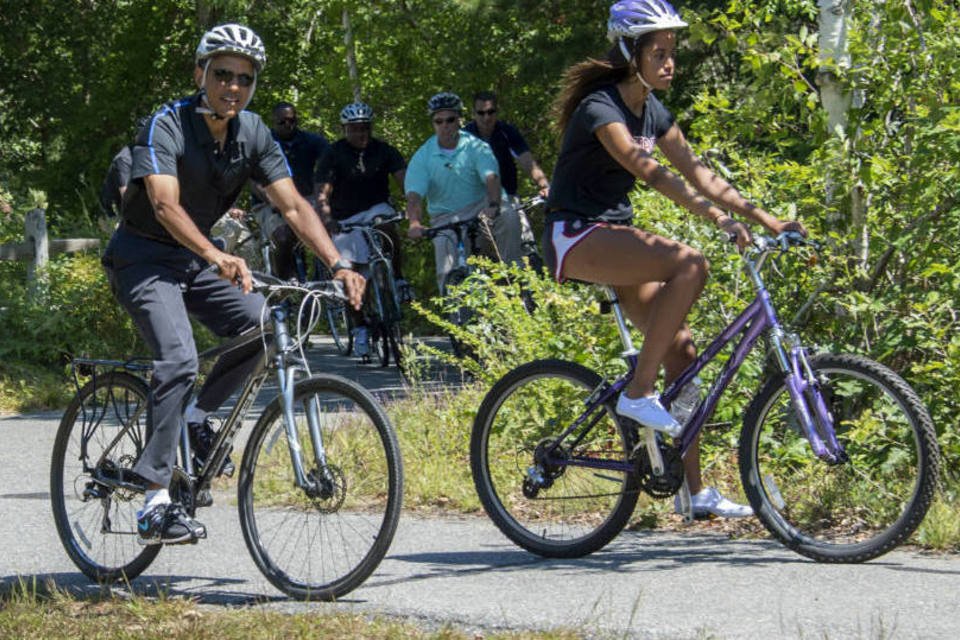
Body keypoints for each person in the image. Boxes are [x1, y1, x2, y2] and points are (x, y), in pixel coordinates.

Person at [102, 23, 364, 545]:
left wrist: (338, 263)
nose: (232, 86)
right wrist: (215, 254)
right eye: (222, 74)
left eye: (244, 78)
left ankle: (197, 417)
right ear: (201, 73)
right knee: (178, 358)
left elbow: (292, 205)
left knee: (265, 325)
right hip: (143, 258)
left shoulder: (254, 133)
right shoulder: (167, 124)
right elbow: (163, 205)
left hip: (198, 260)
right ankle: (154, 498)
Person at [545, 1, 807, 518]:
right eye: (658, 53)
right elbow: (651, 172)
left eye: (672, 52)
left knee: (682, 354)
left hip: (613, 236)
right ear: (630, 53)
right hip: (575, 235)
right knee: (690, 263)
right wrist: (717, 222)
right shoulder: (601, 108)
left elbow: (700, 173)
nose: (670, 63)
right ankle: (638, 392)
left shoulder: (652, 110)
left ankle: (691, 494)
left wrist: (768, 220)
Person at [316, 101, 408, 357]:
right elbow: (322, 193)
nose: (361, 134)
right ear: (345, 129)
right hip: (345, 217)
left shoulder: (384, 151)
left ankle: (398, 278)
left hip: (376, 209)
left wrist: (413, 207)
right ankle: (360, 330)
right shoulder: (332, 155)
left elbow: (405, 181)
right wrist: (327, 218)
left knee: (386, 225)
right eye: (355, 129)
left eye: (365, 128)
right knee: (348, 271)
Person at [405, 92, 523, 291]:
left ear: (459, 119)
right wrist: (415, 223)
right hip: (446, 219)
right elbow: (414, 196)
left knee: (509, 216)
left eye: (450, 120)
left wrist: (493, 206)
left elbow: (491, 178)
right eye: (439, 121)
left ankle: (518, 284)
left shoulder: (476, 146)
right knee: (448, 271)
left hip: (482, 209)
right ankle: (457, 315)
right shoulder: (423, 156)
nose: (445, 125)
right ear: (433, 123)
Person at [464, 91, 551, 267]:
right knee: (477, 261)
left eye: (491, 112)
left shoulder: (507, 132)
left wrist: (544, 185)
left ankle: (531, 289)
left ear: (497, 112)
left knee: (528, 249)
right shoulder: (464, 137)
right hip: (477, 205)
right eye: (481, 113)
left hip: (508, 200)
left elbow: (526, 160)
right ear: (473, 114)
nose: (486, 117)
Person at [253, 102, 330, 279]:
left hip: (305, 199)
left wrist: (324, 195)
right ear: (273, 121)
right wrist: (273, 201)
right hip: (268, 202)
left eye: (292, 120)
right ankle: (287, 286)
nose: (288, 125)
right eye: (282, 122)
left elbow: (330, 163)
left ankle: (325, 279)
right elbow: (252, 180)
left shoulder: (311, 141)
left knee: (329, 228)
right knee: (284, 236)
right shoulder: (263, 142)